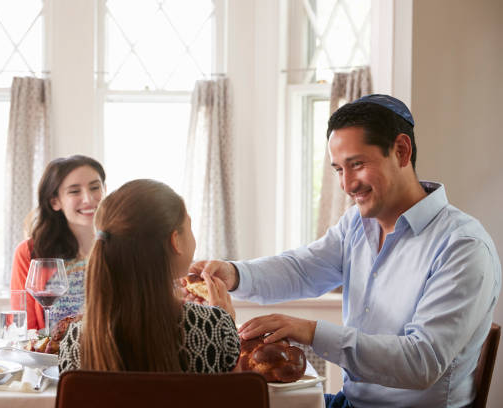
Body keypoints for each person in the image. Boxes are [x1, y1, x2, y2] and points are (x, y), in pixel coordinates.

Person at [188, 95, 501, 407]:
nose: (347, 184)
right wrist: (234, 274)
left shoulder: (463, 247)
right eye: (339, 169)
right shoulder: (357, 223)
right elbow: (302, 269)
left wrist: (310, 331)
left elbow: (421, 362)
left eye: (357, 165)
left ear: (401, 151)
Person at [58, 179, 239, 374]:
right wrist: (226, 323)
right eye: (189, 226)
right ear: (175, 240)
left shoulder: (76, 340)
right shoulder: (213, 326)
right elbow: (237, 397)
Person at [10, 155, 106, 331]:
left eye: (95, 187)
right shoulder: (30, 252)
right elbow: (22, 327)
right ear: (55, 201)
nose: (88, 199)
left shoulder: (121, 247)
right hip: (49, 357)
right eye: (74, 191)